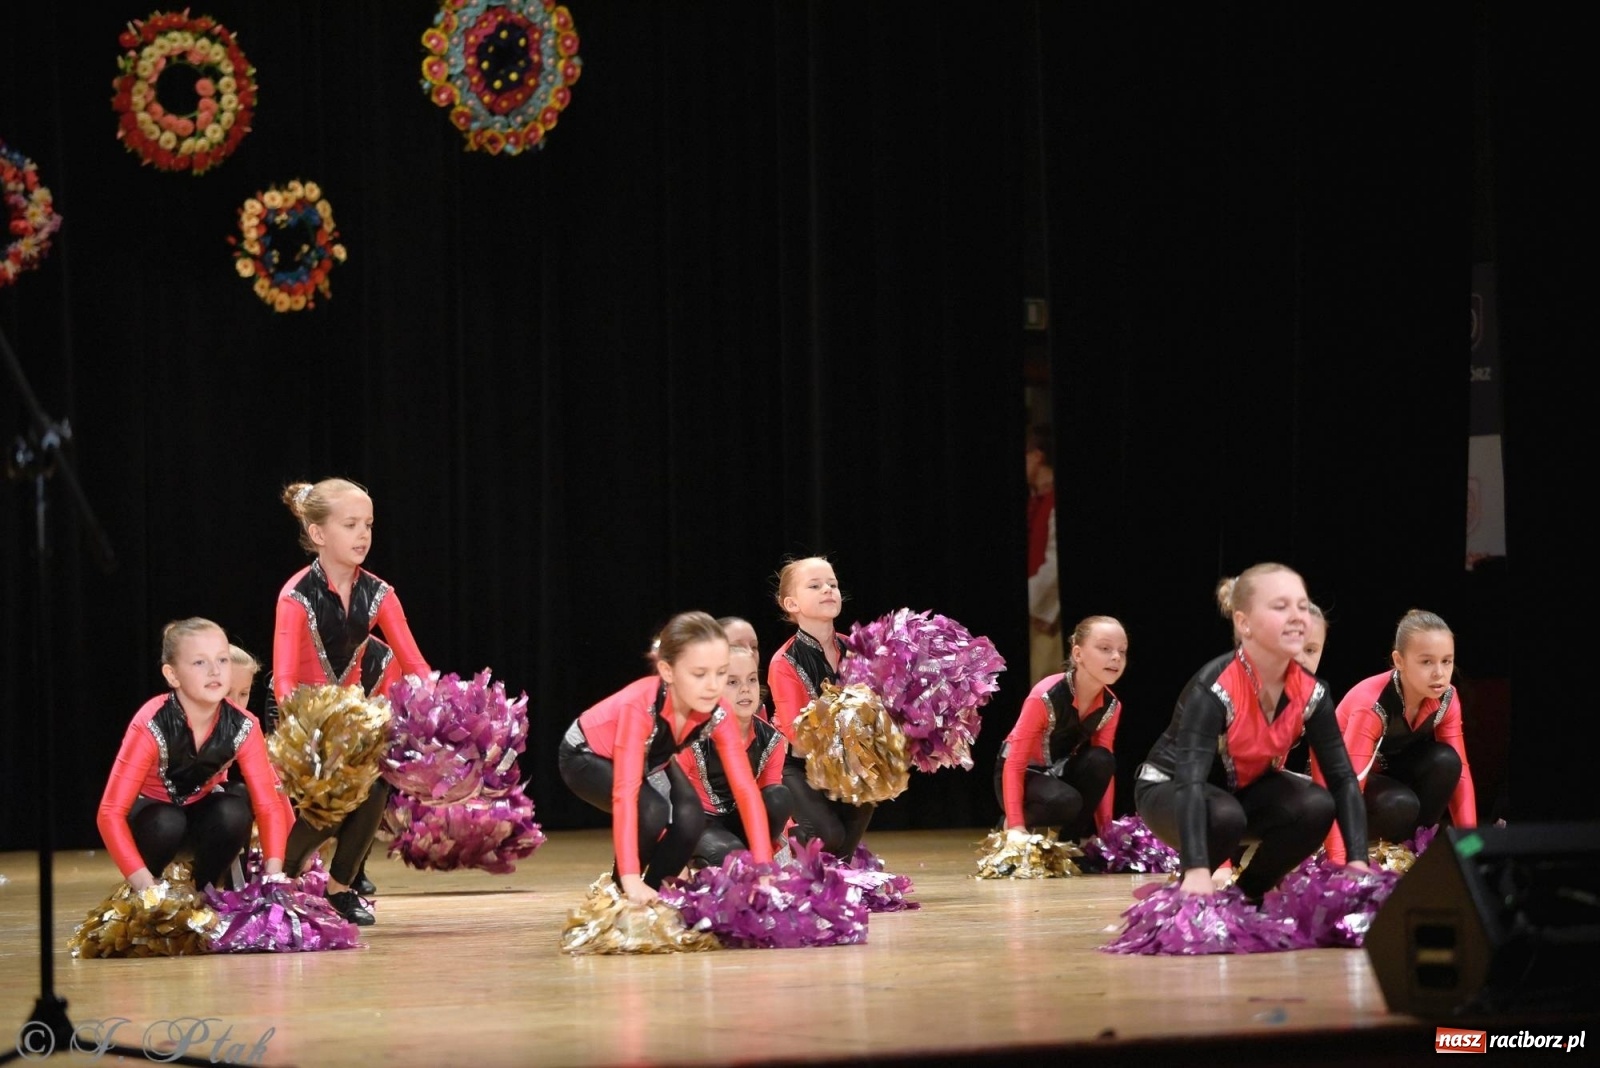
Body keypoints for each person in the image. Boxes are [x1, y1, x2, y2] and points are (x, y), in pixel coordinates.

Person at [1134, 563, 1369, 903]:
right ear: (1244, 624)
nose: (1297, 616)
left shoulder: (1313, 692)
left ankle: (1250, 895)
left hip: (1235, 794)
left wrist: (1357, 860)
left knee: (1315, 804)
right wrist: (1200, 869)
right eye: (1280, 606)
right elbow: (1190, 779)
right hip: (1170, 788)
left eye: (1302, 606)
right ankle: (1188, 894)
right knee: (1224, 815)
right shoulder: (1216, 685)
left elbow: (1342, 778)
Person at [273, 478, 432, 924]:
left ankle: (340, 887)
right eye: (350, 524)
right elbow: (284, 679)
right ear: (319, 534)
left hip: (352, 724)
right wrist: (313, 728)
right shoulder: (295, 596)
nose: (363, 535)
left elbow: (416, 665)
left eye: (368, 524)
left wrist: (438, 708)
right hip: (299, 722)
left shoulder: (379, 593)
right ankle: (282, 878)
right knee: (333, 788)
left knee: (375, 779)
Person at [559, 611, 775, 904]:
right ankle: (620, 893)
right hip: (584, 754)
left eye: (721, 672)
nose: (713, 685)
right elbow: (625, 794)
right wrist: (630, 878)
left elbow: (747, 790)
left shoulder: (718, 709)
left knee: (691, 817)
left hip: (651, 758)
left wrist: (764, 868)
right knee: (652, 809)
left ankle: (654, 897)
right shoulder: (640, 706)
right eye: (700, 674)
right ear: (668, 671)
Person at [95, 618, 290, 892]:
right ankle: (145, 896)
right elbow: (110, 813)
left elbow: (269, 806)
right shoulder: (151, 722)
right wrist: (144, 887)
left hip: (199, 817)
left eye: (221, 660)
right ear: (172, 675)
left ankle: (207, 895)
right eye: (200, 663)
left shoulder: (244, 725)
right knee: (167, 822)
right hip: (153, 821)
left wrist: (274, 875)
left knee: (233, 809)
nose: (214, 671)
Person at [1315, 609, 1476, 863]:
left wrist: (1472, 846)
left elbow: (1462, 774)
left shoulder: (1448, 697)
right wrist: (1341, 860)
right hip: (1335, 789)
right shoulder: (1371, 704)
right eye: (1426, 662)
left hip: (1387, 775)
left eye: (1447, 661)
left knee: (1447, 761)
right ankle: (1363, 851)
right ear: (1399, 661)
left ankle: (1410, 854)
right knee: (1400, 804)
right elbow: (1345, 784)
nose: (1439, 673)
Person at [767, 555, 875, 859]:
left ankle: (836, 870)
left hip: (846, 760)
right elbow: (797, 735)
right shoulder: (784, 661)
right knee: (826, 837)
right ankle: (782, 853)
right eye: (815, 586)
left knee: (844, 843)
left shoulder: (857, 649)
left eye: (832, 584)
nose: (828, 590)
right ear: (791, 604)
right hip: (797, 767)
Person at [996, 615, 1127, 842]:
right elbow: (1015, 762)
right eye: (1105, 648)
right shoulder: (1045, 695)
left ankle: (1069, 843)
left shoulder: (1111, 705)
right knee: (1065, 801)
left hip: (1058, 772)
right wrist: (1016, 825)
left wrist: (1107, 832)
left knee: (1102, 760)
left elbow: (1103, 772)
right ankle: (1009, 823)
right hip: (1021, 773)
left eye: (1122, 651)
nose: (1116, 657)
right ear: (1078, 654)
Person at [679, 643, 793, 867]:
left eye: (751, 679)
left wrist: (775, 860)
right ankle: (708, 859)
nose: (745, 689)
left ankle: (748, 858)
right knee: (729, 856)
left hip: (741, 818)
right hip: (700, 822)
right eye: (733, 682)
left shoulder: (772, 739)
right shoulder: (691, 737)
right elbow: (671, 803)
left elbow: (765, 803)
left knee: (779, 797)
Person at [1026, 427, 1062, 685]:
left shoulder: (1052, 503)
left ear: (1037, 457)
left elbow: (1054, 564)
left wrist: (1031, 601)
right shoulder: (1034, 501)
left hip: (1045, 616)